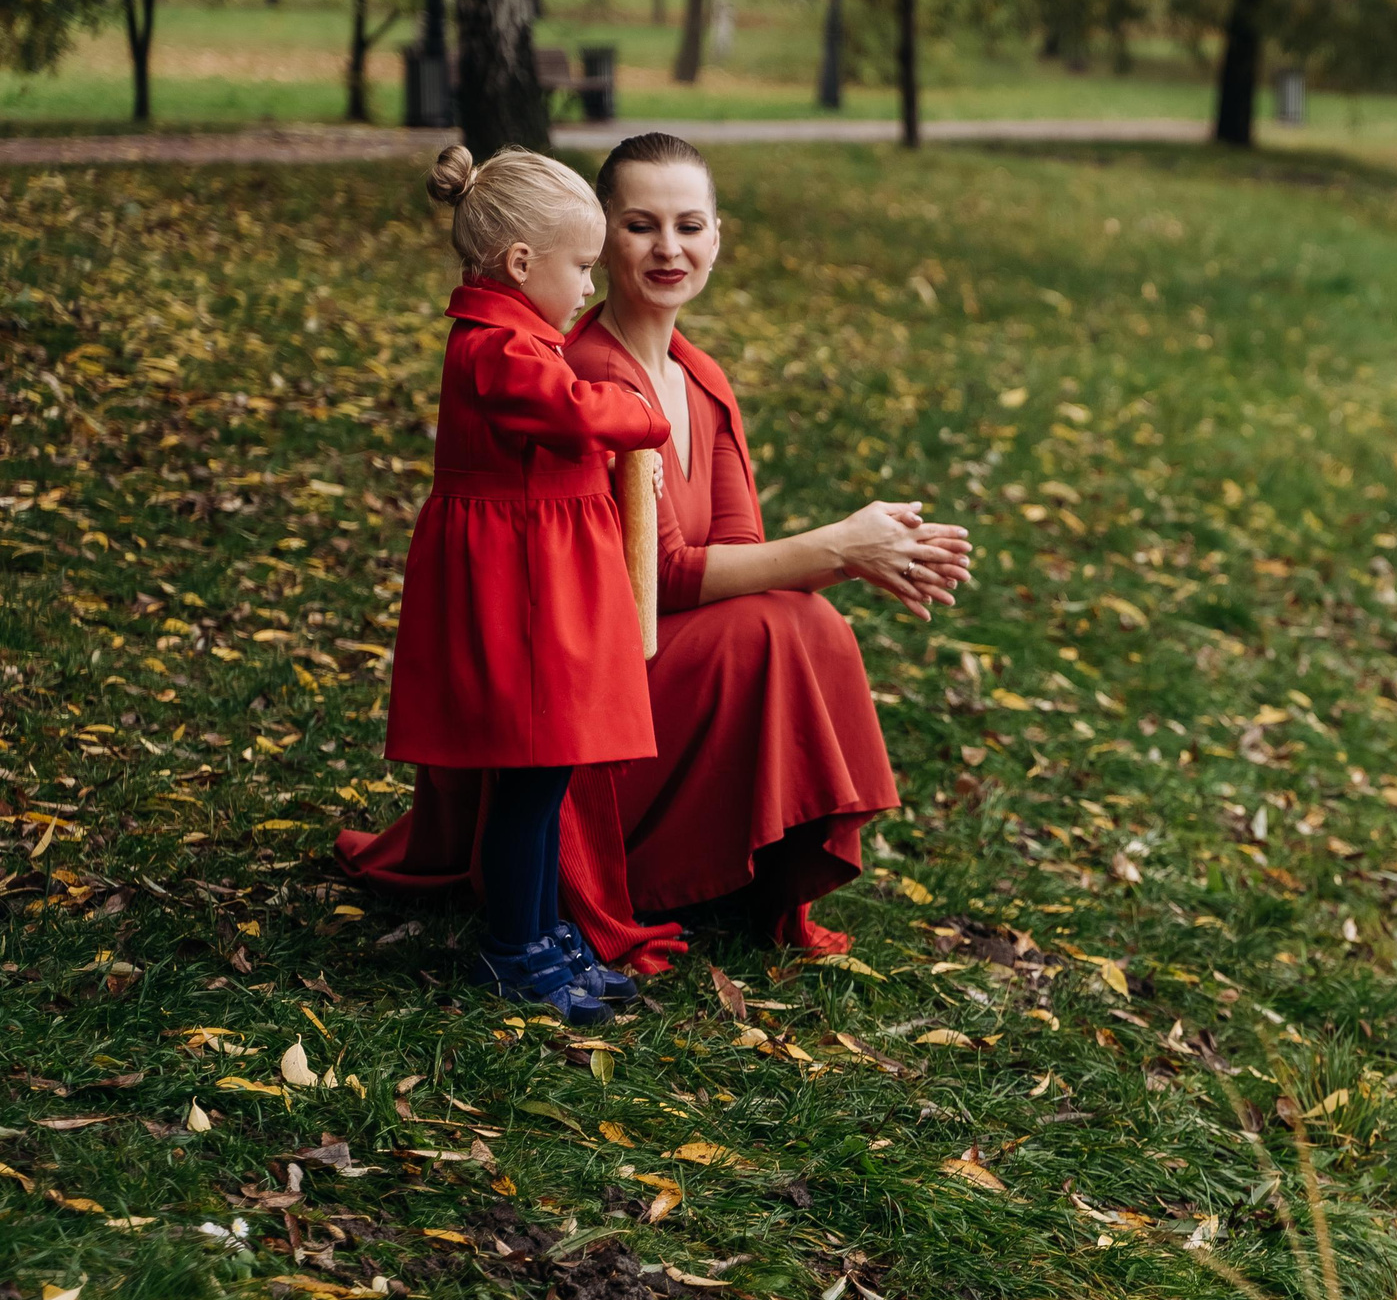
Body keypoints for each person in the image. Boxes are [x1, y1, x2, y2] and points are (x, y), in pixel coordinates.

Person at [563, 132, 972, 950]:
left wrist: (864, 554)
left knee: (804, 621)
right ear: (601, 235)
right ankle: (647, 865)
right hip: (592, 683)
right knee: (781, 622)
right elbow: (664, 577)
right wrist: (839, 546)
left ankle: (746, 869)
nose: (668, 248)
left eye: (689, 225)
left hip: (662, 664)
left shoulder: (703, 379)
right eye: (641, 225)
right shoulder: (589, 377)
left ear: (719, 235)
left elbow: (743, 560)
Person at [380, 144, 669, 1022]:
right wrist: (645, 416)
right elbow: (582, 410)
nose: (588, 285)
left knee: (544, 776)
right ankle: (512, 946)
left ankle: (540, 932)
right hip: (522, 593)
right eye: (580, 266)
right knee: (531, 779)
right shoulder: (498, 348)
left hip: (542, 579)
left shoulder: (519, 338)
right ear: (520, 264)